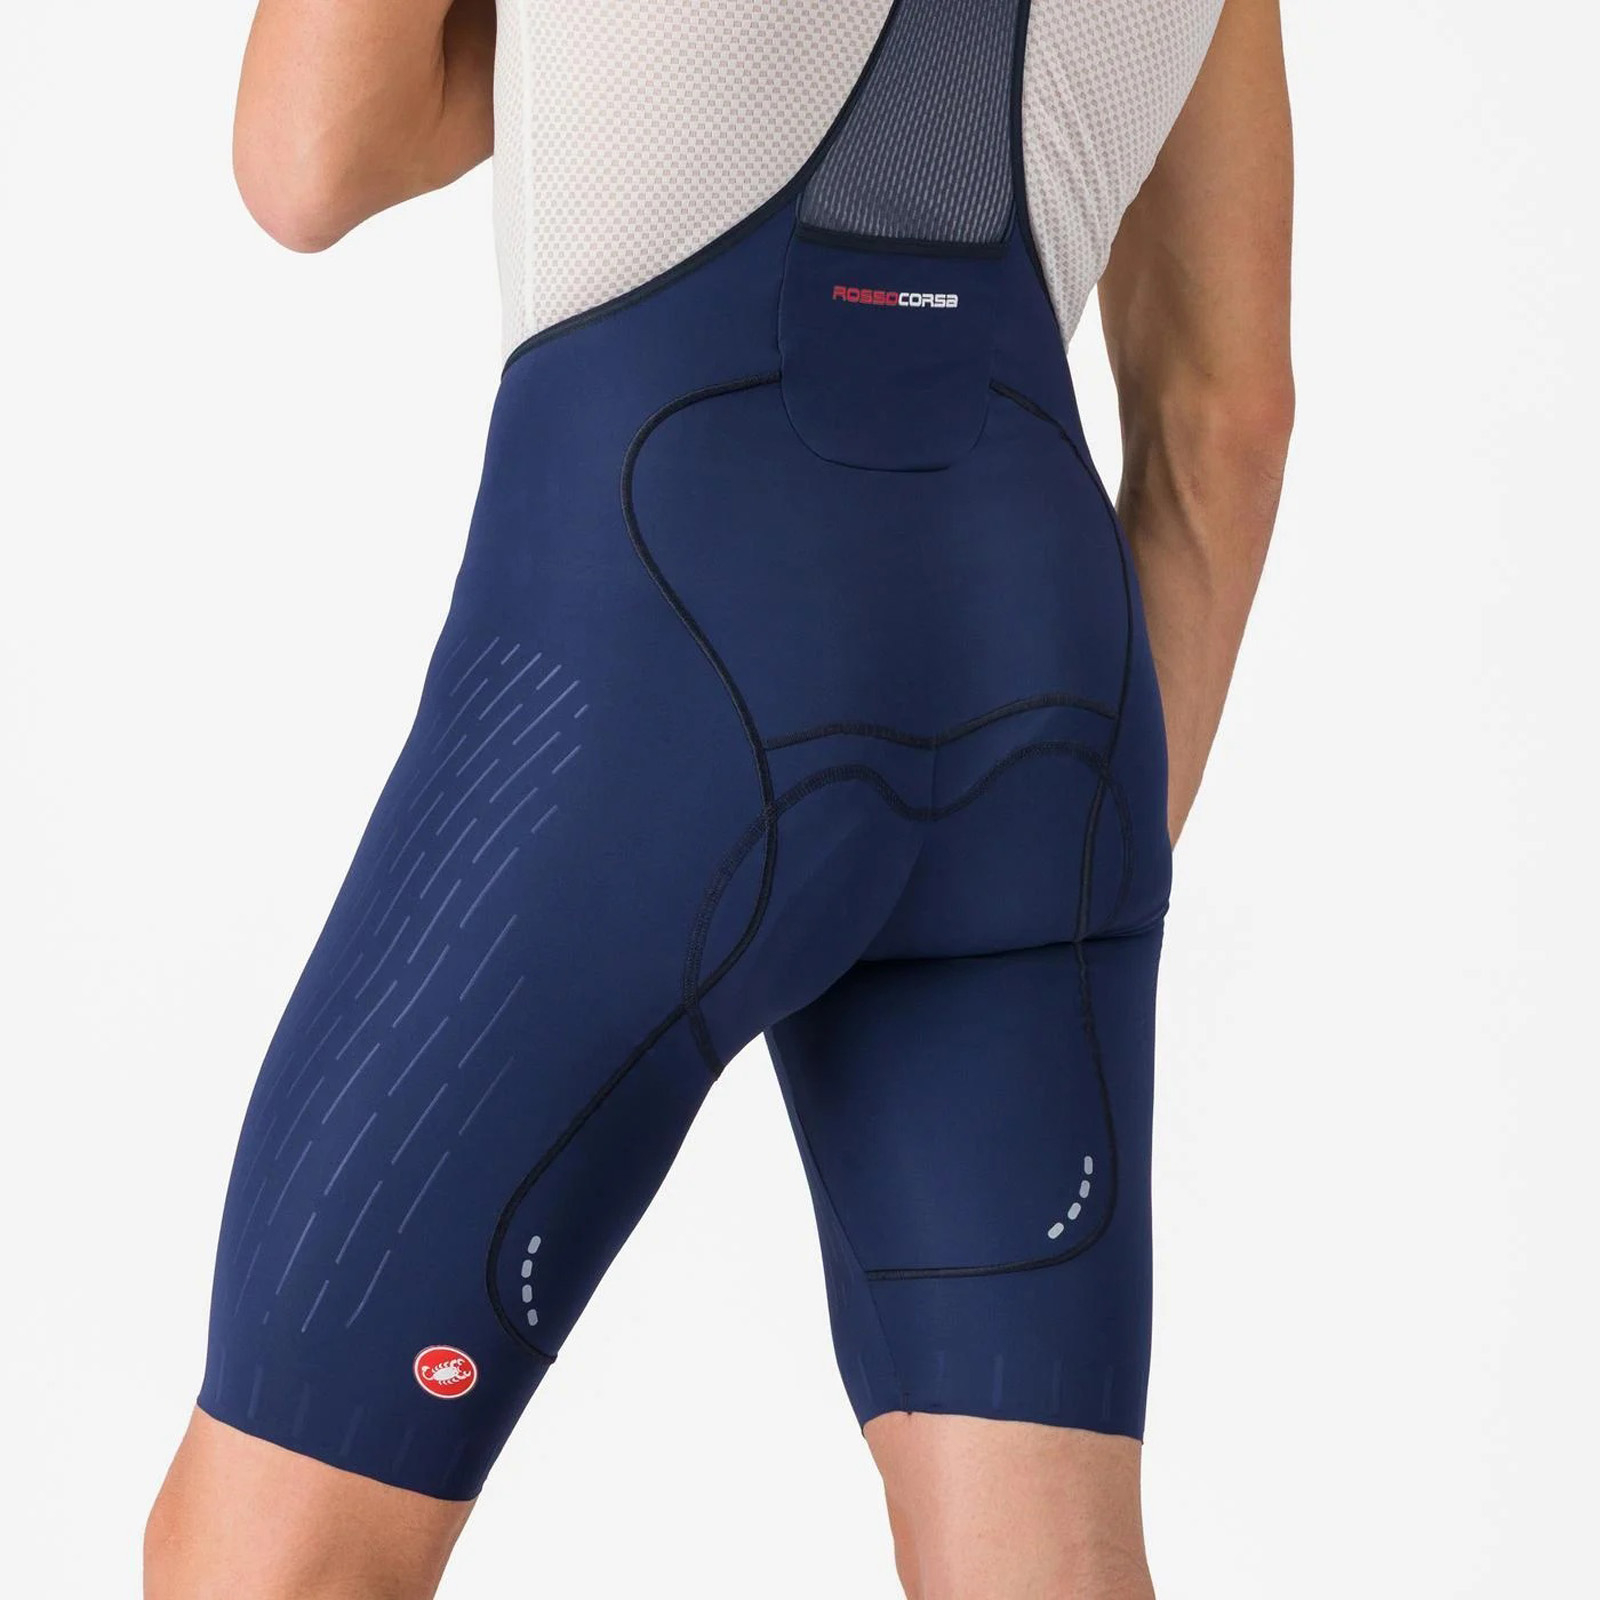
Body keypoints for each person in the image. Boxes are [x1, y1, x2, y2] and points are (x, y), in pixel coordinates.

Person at [144, 1, 1293, 1595]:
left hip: (652, 654)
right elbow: (1227, 419)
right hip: (1041, 707)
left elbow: (313, 159)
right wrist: (1068, 897)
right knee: (1045, 1558)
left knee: (271, 1560)